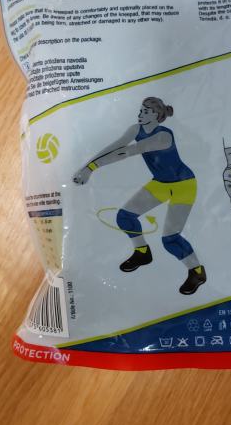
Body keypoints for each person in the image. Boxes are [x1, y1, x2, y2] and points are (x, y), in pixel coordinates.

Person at [73, 97, 206, 295]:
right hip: (160, 183)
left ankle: (197, 271)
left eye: (145, 112)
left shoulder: (163, 136)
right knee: (124, 217)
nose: (140, 114)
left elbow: (127, 151)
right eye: (141, 110)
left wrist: (92, 167)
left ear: (156, 115)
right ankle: (142, 253)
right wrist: (86, 168)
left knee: (170, 239)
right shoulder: (136, 129)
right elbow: (114, 146)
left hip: (183, 186)